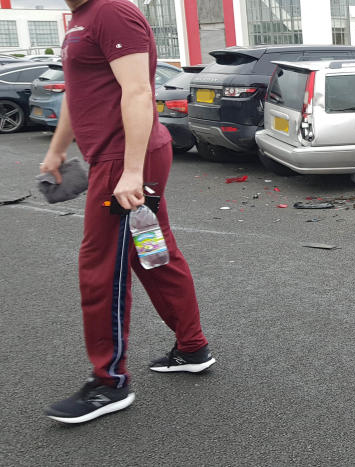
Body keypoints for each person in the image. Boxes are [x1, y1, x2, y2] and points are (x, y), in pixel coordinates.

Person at [41, 0, 214, 424]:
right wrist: (58, 150)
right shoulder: (80, 19)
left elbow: (138, 90)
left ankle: (109, 382)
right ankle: (192, 347)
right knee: (153, 253)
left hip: (124, 160)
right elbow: (76, 93)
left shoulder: (112, 11)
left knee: (101, 266)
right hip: (110, 158)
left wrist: (132, 171)